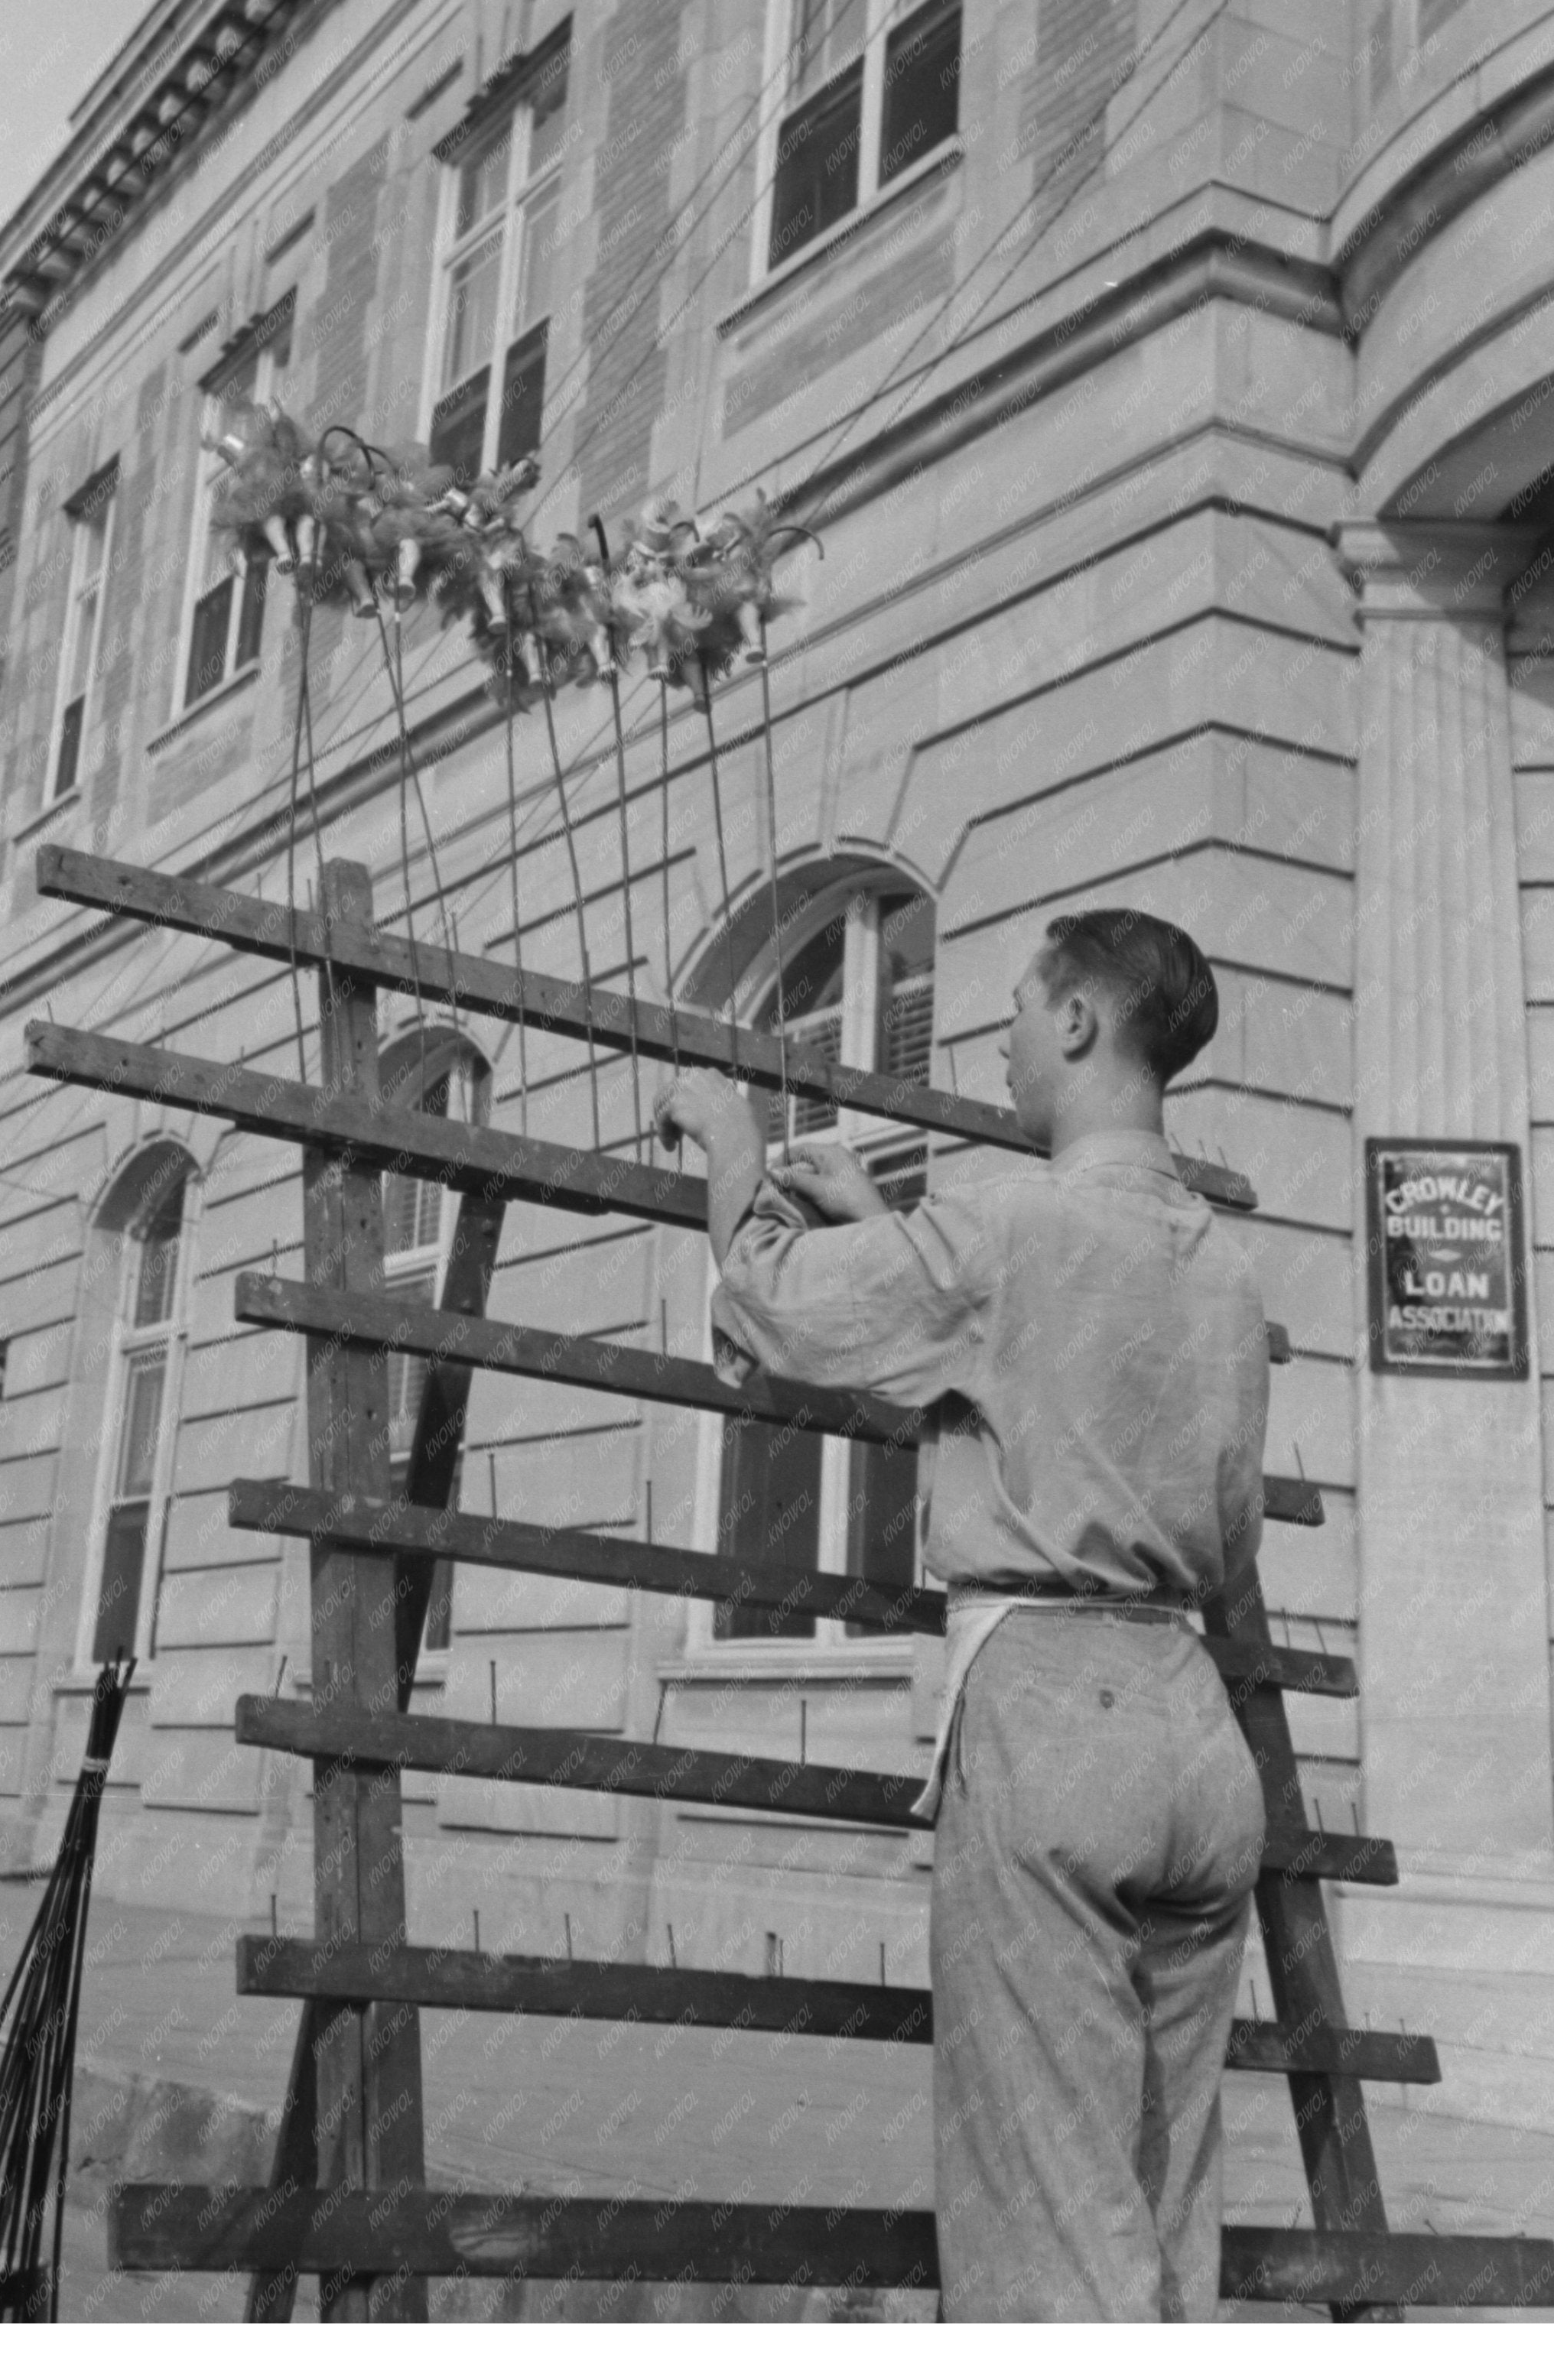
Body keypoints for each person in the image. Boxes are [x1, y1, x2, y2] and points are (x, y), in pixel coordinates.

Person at [656, 905, 1270, 2323]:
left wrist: (738, 1153)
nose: (992, 1034)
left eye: (1012, 1004)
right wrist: (896, 1235)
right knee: (1161, 2219)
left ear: (1075, 1023)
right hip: (1194, 1736)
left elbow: (778, 1305)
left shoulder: (1002, 1220)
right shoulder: (1225, 1269)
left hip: (1050, 1722)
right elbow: (1218, 1538)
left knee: (1046, 2238)